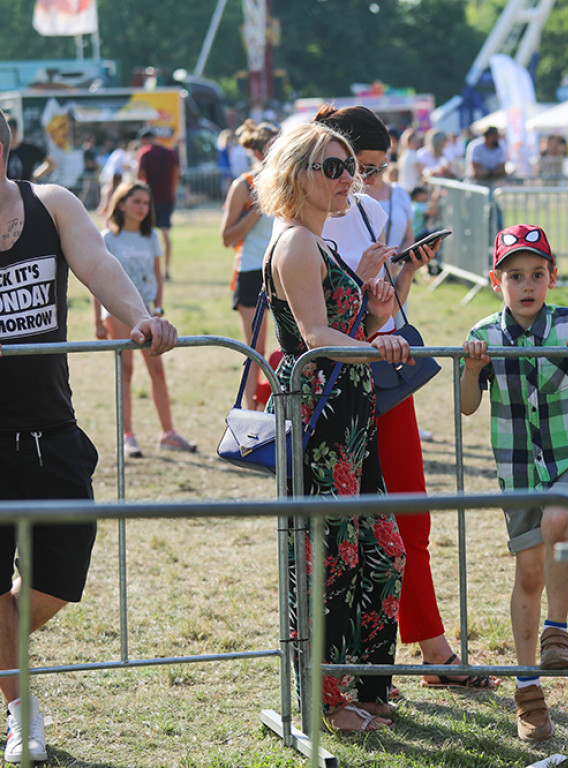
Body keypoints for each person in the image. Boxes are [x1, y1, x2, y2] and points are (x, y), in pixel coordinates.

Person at [0, 107, 177, 762]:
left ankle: (5, 666)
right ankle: (25, 715)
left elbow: (100, 267)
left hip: (52, 431)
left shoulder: (50, 205)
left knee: (58, 581)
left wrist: (141, 316)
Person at [310, 105, 492, 694]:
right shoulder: (307, 220)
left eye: (377, 167)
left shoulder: (371, 209)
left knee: (408, 514)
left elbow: (385, 303)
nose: (364, 181)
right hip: (343, 384)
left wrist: (404, 273)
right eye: (355, 167)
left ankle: (426, 650)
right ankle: (380, 666)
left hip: (385, 372)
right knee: (355, 533)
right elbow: (320, 319)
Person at [254, 120, 410, 733]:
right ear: (298, 176)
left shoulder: (317, 244)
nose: (351, 179)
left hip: (348, 417)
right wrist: (379, 345)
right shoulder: (293, 242)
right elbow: (316, 339)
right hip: (321, 427)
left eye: (355, 168)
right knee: (331, 559)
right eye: (335, 168)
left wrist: (373, 315)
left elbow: (338, 329)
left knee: (380, 552)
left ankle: (368, 687)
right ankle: (327, 701)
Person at [460, 224, 568, 741]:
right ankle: (528, 689)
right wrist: (469, 370)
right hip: (517, 468)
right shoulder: (484, 334)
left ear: (551, 277)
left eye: (536, 274)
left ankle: (558, 629)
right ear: (496, 281)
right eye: (515, 276)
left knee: (559, 519)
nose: (527, 285)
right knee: (528, 572)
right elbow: (467, 405)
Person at [92, 181, 195, 458]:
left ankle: (168, 433)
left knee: (157, 370)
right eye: (137, 201)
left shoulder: (150, 237)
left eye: (146, 203)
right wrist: (98, 321)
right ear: (122, 204)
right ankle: (128, 435)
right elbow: (97, 279)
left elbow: (158, 275)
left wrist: (158, 308)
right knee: (125, 370)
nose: (142, 208)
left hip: (147, 310)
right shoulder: (108, 238)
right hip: (116, 311)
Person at [219, 119, 280, 410]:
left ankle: (284, 406)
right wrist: (257, 208)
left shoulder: (289, 181)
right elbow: (227, 237)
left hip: (285, 269)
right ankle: (252, 411)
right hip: (251, 271)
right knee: (255, 347)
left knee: (294, 344)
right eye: (272, 147)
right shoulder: (243, 185)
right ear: (258, 152)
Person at [135, 129, 180, 281]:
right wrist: (172, 192)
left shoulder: (144, 153)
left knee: (146, 234)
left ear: (144, 140)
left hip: (148, 199)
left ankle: (149, 269)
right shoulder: (170, 153)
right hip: (167, 198)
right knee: (165, 235)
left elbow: (139, 176)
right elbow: (176, 175)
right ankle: (166, 270)